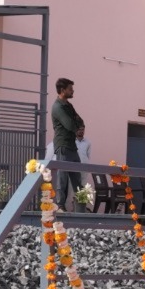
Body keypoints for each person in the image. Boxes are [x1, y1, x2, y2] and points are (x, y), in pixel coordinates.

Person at [51, 77, 85, 205]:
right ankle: (60, 205)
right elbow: (69, 124)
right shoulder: (57, 107)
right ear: (62, 90)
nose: (73, 91)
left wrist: (79, 126)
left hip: (72, 145)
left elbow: (80, 120)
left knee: (77, 177)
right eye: (70, 89)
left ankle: (80, 205)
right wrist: (77, 128)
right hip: (63, 145)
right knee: (62, 177)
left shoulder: (68, 106)